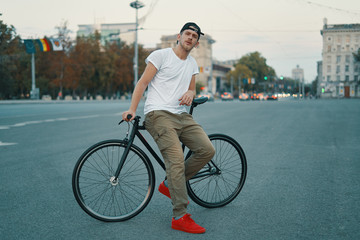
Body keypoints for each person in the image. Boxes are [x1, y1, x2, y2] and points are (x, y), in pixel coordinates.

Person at [122, 22, 215, 234]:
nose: (190, 38)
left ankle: (170, 184)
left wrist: (191, 93)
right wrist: (132, 109)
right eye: (187, 34)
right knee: (176, 161)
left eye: (194, 36)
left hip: (182, 116)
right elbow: (142, 83)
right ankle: (180, 216)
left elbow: (191, 89)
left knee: (207, 150)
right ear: (179, 36)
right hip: (159, 114)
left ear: (197, 42)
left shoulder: (192, 64)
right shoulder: (160, 55)